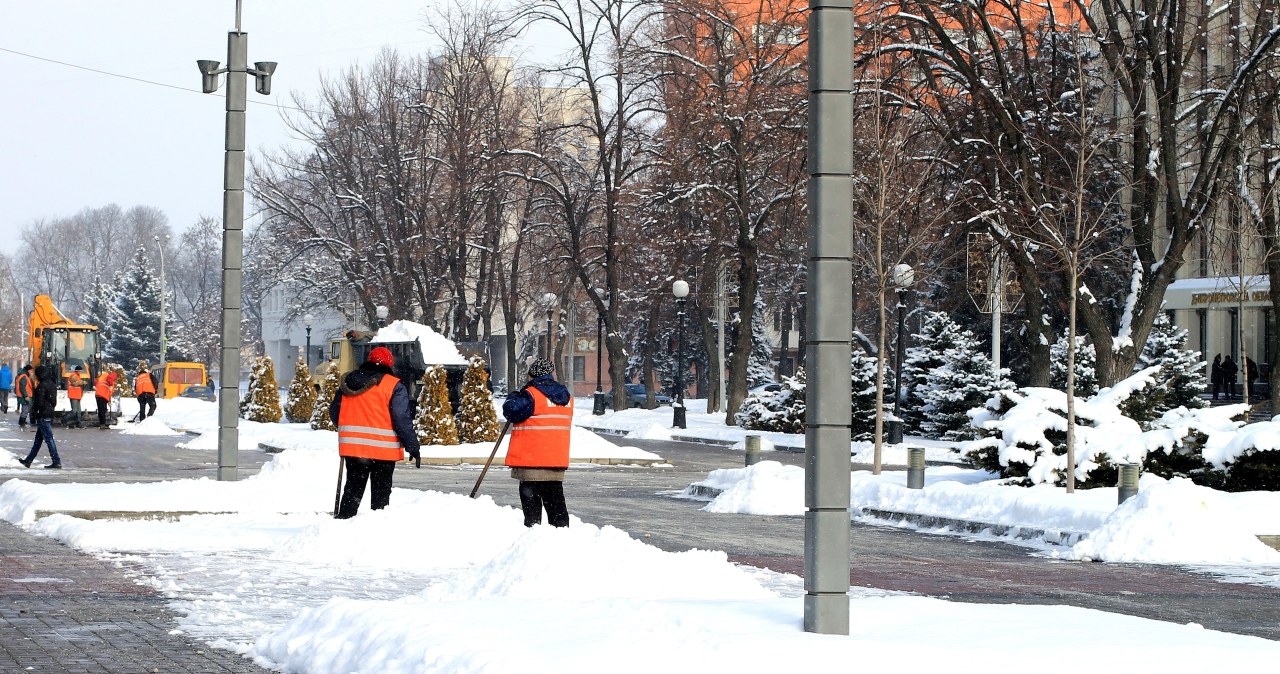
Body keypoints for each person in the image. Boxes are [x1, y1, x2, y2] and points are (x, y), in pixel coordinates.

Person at [328, 346, 420, 519]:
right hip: (383, 451)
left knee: (353, 489)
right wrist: (412, 446)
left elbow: (335, 413)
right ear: (389, 365)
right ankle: (377, 530)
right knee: (380, 495)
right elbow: (401, 418)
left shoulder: (348, 382)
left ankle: (343, 524)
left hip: (354, 449)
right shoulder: (393, 386)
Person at [501, 357, 573, 528]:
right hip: (555, 462)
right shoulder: (566, 397)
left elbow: (511, 412)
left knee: (533, 519)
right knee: (557, 512)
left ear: (532, 375)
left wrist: (513, 396)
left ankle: (533, 543)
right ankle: (562, 540)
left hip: (531, 463)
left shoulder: (532, 395)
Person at [19, 365, 61, 469]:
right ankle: (29, 460)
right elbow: (53, 401)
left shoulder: (42, 386)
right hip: (49, 413)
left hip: (42, 415)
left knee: (49, 439)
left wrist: (35, 412)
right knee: (38, 440)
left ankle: (56, 461)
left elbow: (39, 402)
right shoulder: (52, 384)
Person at [15, 364, 34, 431]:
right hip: (24, 396)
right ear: (28, 370)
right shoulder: (24, 377)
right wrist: (26, 396)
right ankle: (21, 422)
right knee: (25, 410)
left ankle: (23, 421)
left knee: (26, 409)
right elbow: (22, 387)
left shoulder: (24, 375)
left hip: (24, 395)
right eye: (31, 371)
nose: (32, 372)